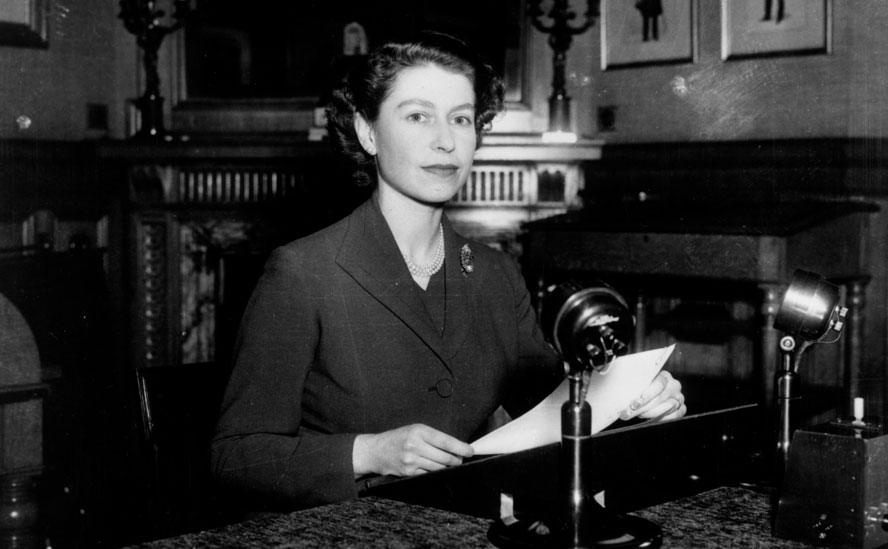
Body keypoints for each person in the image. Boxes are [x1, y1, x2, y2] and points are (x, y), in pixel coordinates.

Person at [210, 32, 686, 510]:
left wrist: (628, 404)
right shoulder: (302, 273)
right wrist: (369, 452)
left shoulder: (497, 274)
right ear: (367, 132)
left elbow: (551, 412)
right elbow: (235, 456)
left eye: (461, 119)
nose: (444, 141)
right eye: (418, 116)